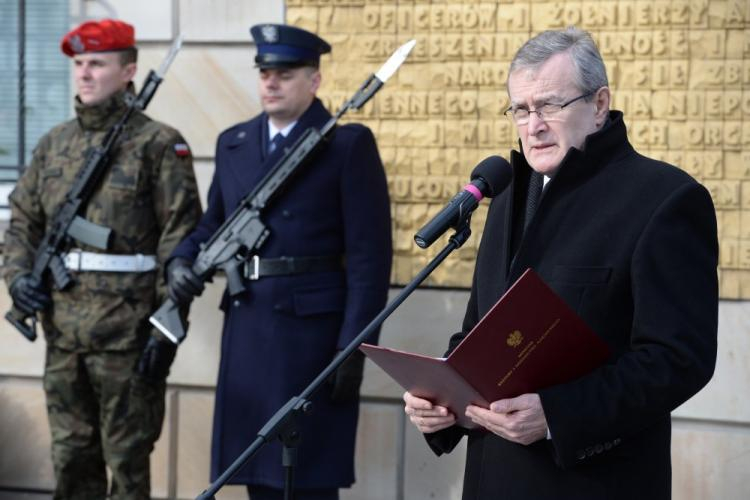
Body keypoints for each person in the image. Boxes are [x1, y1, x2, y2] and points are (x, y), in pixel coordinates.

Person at [404, 27, 718, 499]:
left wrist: (557, 415)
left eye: (550, 105)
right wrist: (443, 404)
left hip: (592, 483)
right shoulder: (506, 193)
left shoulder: (666, 199)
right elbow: (477, 333)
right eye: (521, 109)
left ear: (598, 105)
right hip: (492, 479)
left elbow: (679, 360)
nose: (534, 125)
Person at [167, 24, 392, 500]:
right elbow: (213, 223)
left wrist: (356, 347)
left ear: (314, 81)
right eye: (265, 72)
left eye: (284, 74)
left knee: (307, 479)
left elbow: (371, 258)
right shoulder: (235, 142)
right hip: (248, 327)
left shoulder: (346, 144)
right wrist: (182, 261)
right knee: (257, 476)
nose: (270, 82)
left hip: (310, 336)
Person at [3, 19, 202, 499]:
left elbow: (181, 241)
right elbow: (23, 224)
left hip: (128, 338)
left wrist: (166, 332)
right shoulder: (54, 145)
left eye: (97, 63)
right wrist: (18, 278)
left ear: (128, 70)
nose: (84, 74)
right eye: (79, 64)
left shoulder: (158, 144)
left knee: (127, 468)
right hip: (64, 336)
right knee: (72, 463)